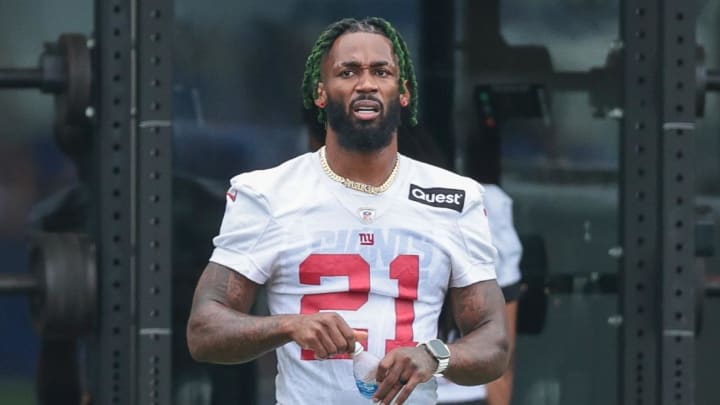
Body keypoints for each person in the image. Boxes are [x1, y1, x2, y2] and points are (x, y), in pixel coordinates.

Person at [187, 17, 509, 405]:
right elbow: (204, 331)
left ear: (403, 92)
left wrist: (434, 356)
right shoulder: (268, 193)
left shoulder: (454, 197)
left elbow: (494, 341)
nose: (366, 83)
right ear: (321, 93)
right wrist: (290, 326)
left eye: (381, 71)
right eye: (348, 71)